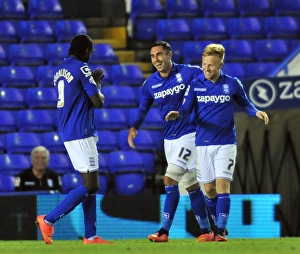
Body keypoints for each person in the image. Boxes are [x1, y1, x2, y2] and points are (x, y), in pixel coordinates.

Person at [165, 43, 269, 242]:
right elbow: (186, 109)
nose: (206, 69)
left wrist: (256, 111)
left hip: (226, 143)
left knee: (222, 185)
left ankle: (220, 230)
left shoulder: (232, 83)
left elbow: (245, 103)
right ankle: (217, 226)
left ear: (221, 64)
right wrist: (177, 114)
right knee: (209, 190)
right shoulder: (196, 84)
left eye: (211, 65)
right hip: (203, 143)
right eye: (204, 64)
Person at [127, 41, 214, 242]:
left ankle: (164, 231)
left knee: (169, 179)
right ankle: (206, 231)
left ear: (169, 55)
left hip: (191, 134)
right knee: (191, 185)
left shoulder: (189, 72)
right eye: (152, 56)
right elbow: (143, 108)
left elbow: (211, 77)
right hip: (170, 139)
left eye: (159, 55)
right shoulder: (150, 84)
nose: (156, 59)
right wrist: (134, 127)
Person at [35, 34, 112, 245]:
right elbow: (98, 102)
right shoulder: (83, 68)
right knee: (91, 184)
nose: (91, 56)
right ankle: (48, 219)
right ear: (86, 51)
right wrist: (98, 85)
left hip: (69, 131)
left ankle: (90, 235)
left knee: (88, 184)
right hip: (81, 131)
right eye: (91, 51)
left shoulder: (60, 71)